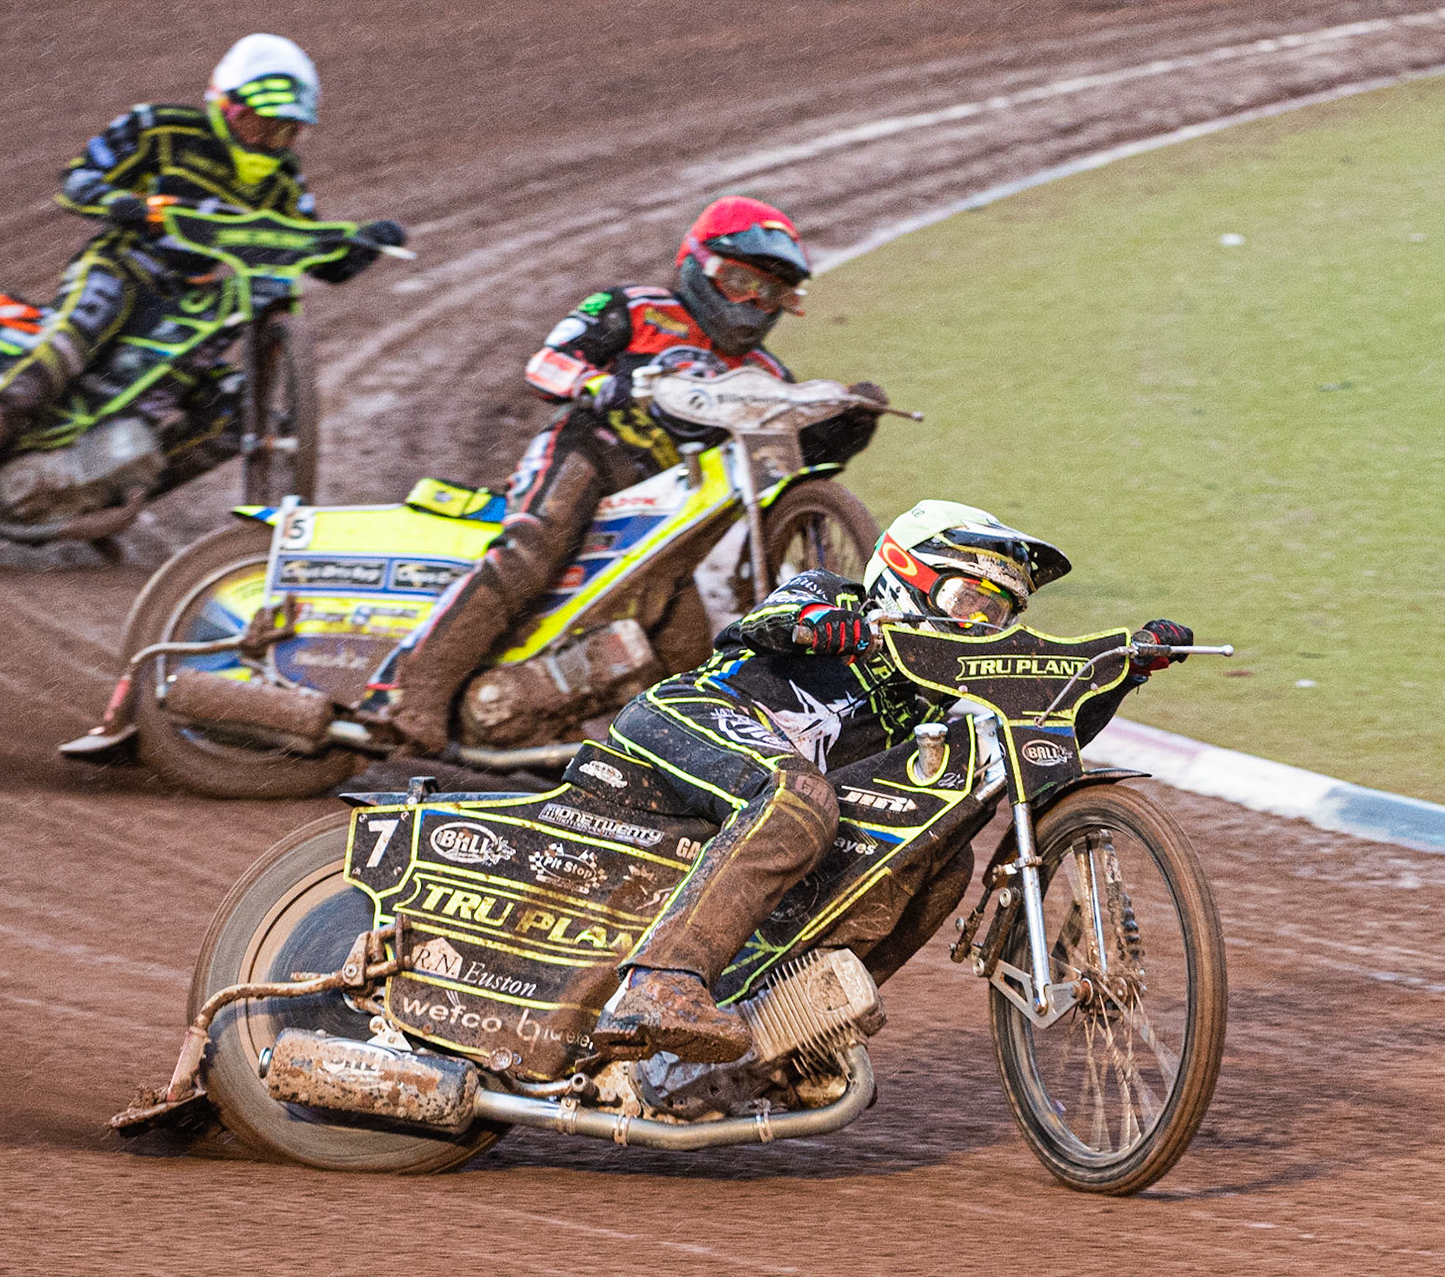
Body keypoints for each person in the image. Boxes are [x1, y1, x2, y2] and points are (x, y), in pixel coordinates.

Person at [590, 499, 1196, 1063]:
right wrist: (820, 625)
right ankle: (661, 980)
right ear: (906, 574)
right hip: (691, 716)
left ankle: (794, 1033)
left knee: (940, 855)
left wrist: (1123, 671)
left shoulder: (935, 687)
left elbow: (1047, 724)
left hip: (778, 790)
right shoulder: (834, 594)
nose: (981, 624)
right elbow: (769, 621)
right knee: (799, 798)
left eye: (998, 614)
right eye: (969, 601)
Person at [365, 195, 885, 754]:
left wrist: (845, 424)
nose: (754, 304)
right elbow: (545, 364)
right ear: (699, 266)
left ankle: (609, 751)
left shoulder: (766, 374)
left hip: (666, 512)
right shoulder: (633, 308)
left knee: (688, 647)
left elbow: (787, 471)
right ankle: (413, 692)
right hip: (588, 452)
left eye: (773, 293)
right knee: (532, 548)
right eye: (740, 281)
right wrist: (600, 385)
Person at [0, 33, 405, 529]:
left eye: (284, 131)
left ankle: (97, 497)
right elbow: (78, 179)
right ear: (225, 107)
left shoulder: (283, 179)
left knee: (235, 410)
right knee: (65, 350)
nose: (268, 141)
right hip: (122, 269)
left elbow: (314, 253)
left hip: (191, 302)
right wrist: (124, 205)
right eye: (258, 124)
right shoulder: (160, 128)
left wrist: (364, 244)